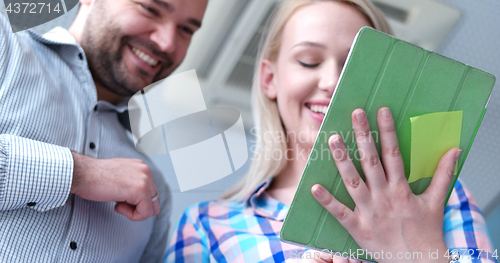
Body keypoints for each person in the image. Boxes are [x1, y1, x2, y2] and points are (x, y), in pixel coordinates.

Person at [165, 0, 497, 262]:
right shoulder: (208, 225)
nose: (331, 83)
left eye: (355, 67)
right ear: (269, 79)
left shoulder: (437, 197)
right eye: (308, 61)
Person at [0, 0, 207, 262]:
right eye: (151, 9)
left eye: (186, 30)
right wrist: (83, 173)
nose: (167, 43)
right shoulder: (5, 50)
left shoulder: (155, 192)